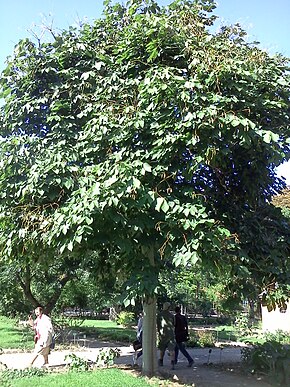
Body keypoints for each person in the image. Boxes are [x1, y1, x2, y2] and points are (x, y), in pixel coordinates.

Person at [157, 302, 176, 370]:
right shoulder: (171, 315)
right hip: (171, 334)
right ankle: (172, 363)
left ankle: (161, 361)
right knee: (171, 349)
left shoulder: (160, 315)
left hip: (163, 334)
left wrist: (159, 332)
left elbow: (158, 324)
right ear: (169, 307)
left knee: (162, 349)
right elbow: (174, 324)